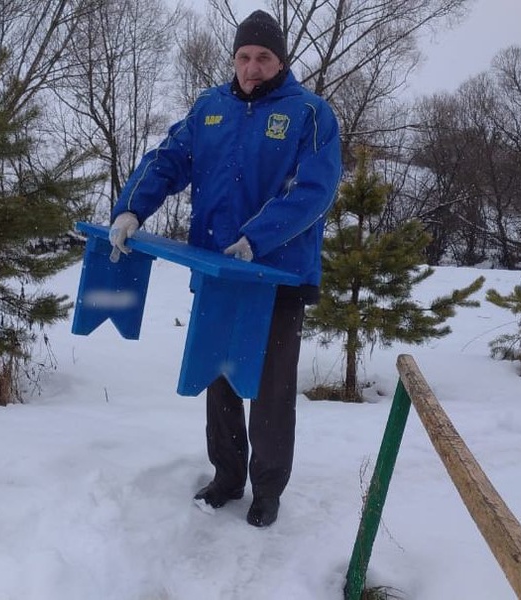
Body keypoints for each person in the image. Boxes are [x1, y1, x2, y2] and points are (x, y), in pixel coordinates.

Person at [108, 10, 341, 527]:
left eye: (263, 57)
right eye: (243, 57)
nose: (252, 67)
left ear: (280, 60)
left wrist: (255, 240)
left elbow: (313, 192)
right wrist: (131, 207)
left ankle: (268, 489)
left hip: (277, 276)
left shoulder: (310, 114)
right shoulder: (209, 108)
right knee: (220, 375)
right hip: (218, 273)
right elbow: (167, 160)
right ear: (234, 59)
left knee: (272, 388)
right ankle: (227, 476)